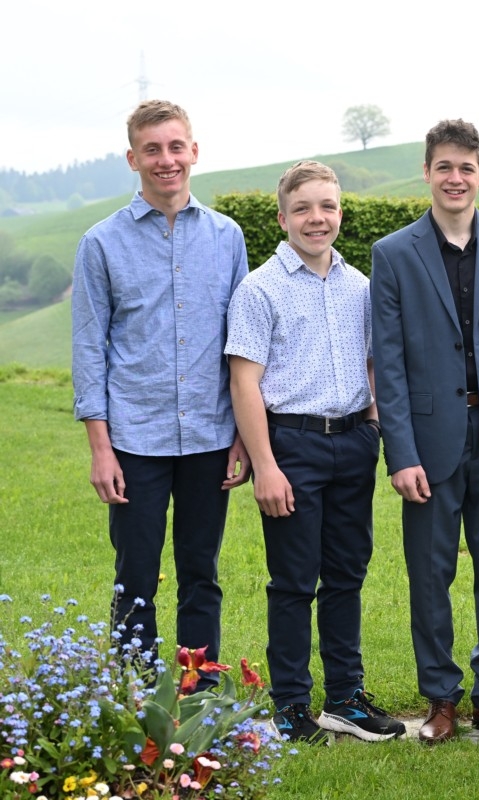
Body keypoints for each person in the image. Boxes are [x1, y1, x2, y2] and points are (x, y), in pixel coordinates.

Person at [371, 119, 479, 745]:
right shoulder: (394, 253)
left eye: (466, 167)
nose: (455, 178)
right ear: (427, 172)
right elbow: (389, 363)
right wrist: (400, 453)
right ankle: (441, 698)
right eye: (443, 167)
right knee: (430, 575)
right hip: (428, 440)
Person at [225, 161, 405, 745]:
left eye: (326, 206)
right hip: (292, 447)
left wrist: (372, 426)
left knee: (347, 575)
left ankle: (346, 699)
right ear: (282, 218)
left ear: (340, 213)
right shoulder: (259, 289)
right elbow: (244, 383)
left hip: (353, 442)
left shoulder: (360, 287)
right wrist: (266, 466)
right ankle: (290, 705)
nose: (316, 218)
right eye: (302, 208)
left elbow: (374, 363)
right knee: (294, 580)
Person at [71, 99, 249, 676]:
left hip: (210, 435)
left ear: (194, 151)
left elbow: (244, 347)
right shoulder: (101, 243)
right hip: (133, 439)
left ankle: (198, 697)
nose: (165, 160)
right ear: (133, 159)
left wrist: (243, 437)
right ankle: (136, 694)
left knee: (201, 573)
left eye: (175, 147)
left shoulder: (227, 237)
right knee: (136, 575)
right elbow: (88, 349)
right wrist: (101, 449)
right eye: (152, 149)